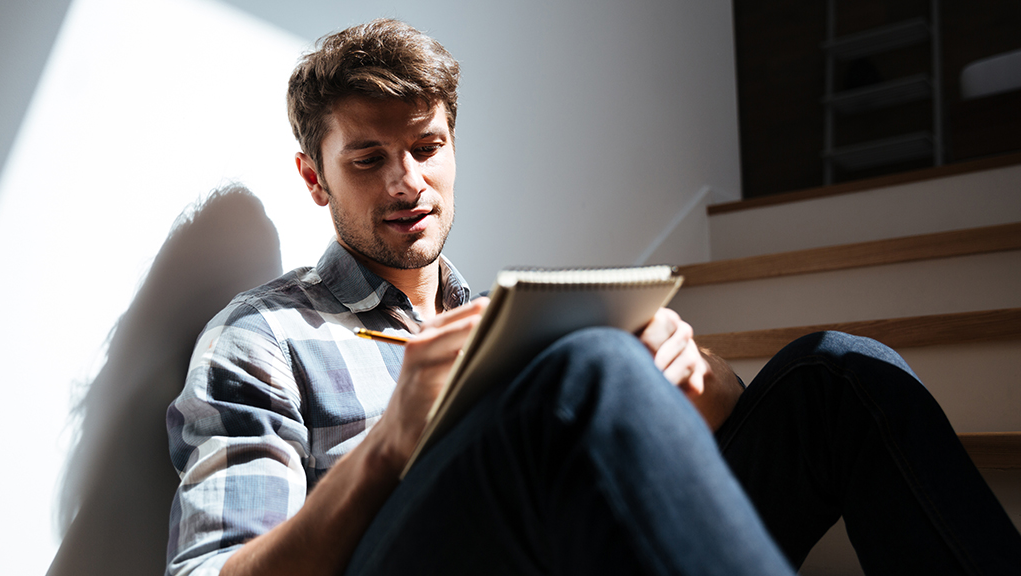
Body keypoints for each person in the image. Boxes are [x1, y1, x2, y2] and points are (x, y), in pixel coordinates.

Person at [166, 18, 1021, 576]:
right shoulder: (260, 337)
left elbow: (704, 438)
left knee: (839, 374)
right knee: (586, 367)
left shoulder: (511, 312)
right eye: (368, 159)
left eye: (426, 146)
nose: (408, 182)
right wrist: (390, 447)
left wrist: (701, 379)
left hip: (580, 545)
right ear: (314, 178)